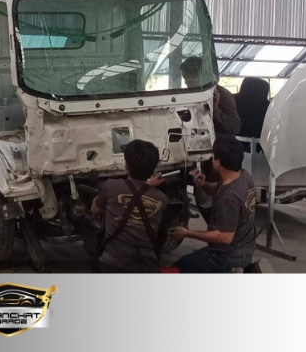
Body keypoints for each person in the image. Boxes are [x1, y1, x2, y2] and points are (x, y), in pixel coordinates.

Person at [169, 136, 256, 273]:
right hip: (244, 249)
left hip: (228, 256)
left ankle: (229, 271)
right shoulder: (244, 176)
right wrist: (203, 185)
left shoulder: (229, 196)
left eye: (213, 156)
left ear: (218, 162)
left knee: (177, 269)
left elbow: (225, 237)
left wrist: (188, 233)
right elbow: (218, 188)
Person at [90, 140, 167, 273]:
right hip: (147, 268)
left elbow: (94, 210)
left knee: (90, 232)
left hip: (112, 266)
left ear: (126, 164)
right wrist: (147, 186)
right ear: (154, 169)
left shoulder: (111, 186)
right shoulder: (162, 199)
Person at [181, 56, 241, 221]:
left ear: (201, 75)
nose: (187, 84)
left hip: (217, 156)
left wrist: (215, 111)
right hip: (199, 152)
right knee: (202, 194)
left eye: (190, 79)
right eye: (186, 80)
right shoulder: (195, 94)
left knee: (215, 198)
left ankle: (219, 229)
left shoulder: (221, 95)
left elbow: (234, 126)